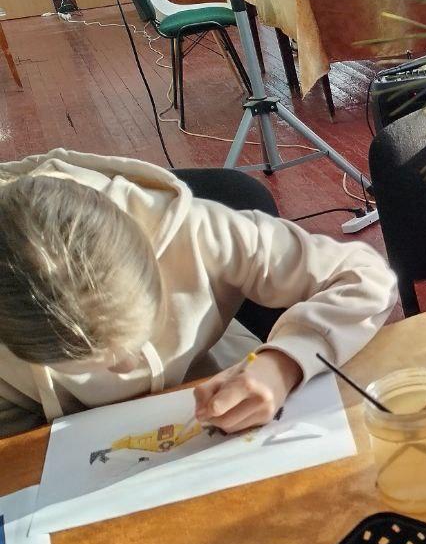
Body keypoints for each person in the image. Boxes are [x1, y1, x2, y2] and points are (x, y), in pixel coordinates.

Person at [0, 149, 397, 438]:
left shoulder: (198, 232)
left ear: (153, 252)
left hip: (231, 393)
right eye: (92, 364)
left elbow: (365, 275)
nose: (130, 367)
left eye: (142, 333)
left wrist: (284, 362)